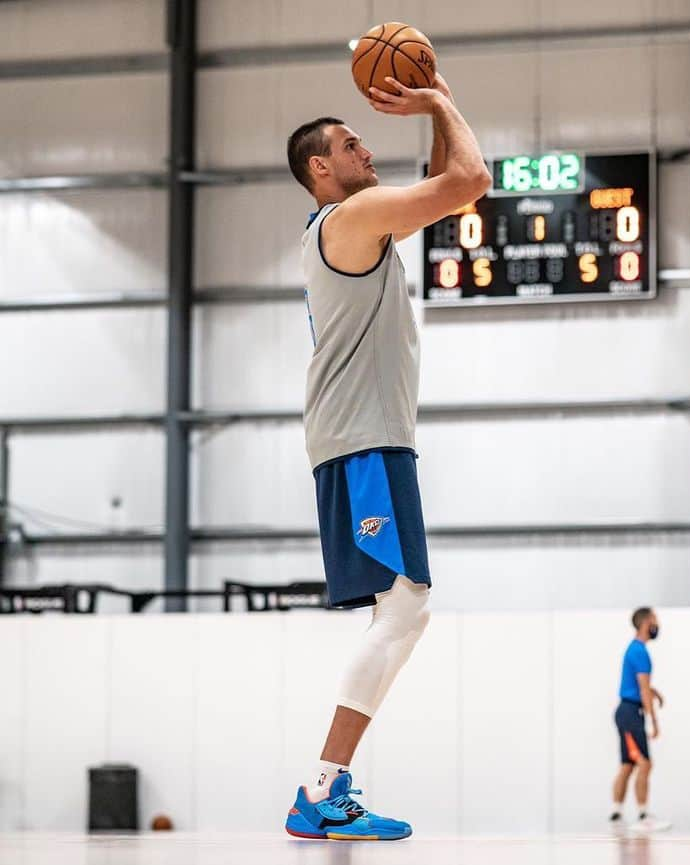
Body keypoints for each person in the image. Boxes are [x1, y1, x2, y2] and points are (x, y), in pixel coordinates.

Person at [281, 72, 490, 841]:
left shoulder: (353, 223)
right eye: (349, 143)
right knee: (405, 607)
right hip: (363, 438)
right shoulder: (353, 214)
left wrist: (436, 107)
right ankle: (322, 789)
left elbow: (440, 183)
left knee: (402, 610)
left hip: (363, 438)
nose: (365, 147)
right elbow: (469, 182)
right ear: (320, 170)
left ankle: (327, 788)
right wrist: (441, 101)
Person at [611, 607, 671, 833]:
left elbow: (640, 685)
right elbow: (643, 690)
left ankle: (616, 812)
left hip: (624, 711)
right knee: (645, 762)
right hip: (631, 713)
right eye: (655, 620)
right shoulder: (640, 652)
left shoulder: (633, 650)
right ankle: (644, 814)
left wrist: (653, 691)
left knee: (628, 764)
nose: (657, 625)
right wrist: (654, 722)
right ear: (646, 623)